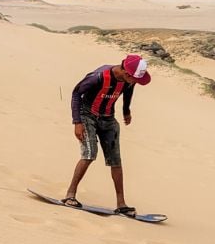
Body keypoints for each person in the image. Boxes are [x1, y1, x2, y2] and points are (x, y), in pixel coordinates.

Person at [64, 54, 151, 215]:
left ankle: (121, 204)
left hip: (108, 118)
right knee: (89, 154)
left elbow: (129, 91)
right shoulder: (97, 78)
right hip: (86, 115)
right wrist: (77, 122)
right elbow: (76, 93)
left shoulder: (128, 81)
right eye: (135, 79)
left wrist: (126, 111)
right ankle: (70, 194)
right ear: (126, 73)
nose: (135, 83)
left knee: (115, 160)